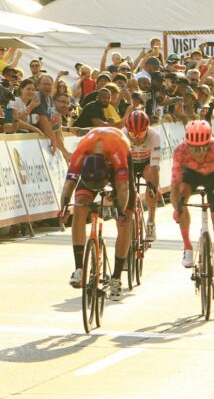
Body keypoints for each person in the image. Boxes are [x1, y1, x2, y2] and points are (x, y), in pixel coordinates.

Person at [59, 127, 134, 301]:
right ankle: (79, 268)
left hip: (120, 151)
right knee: (78, 209)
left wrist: (120, 211)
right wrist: (63, 208)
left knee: (124, 221)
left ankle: (116, 277)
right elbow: (68, 184)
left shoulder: (117, 154)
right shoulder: (81, 152)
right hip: (91, 165)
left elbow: (123, 188)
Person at [170, 121, 214, 299]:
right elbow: (174, 186)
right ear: (187, 144)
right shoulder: (180, 151)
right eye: (194, 149)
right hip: (190, 175)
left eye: (203, 148)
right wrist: (177, 208)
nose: (199, 153)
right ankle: (187, 246)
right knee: (182, 195)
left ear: (209, 143)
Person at [122, 110, 160, 241]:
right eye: (133, 134)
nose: (137, 138)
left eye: (141, 133)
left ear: (147, 130)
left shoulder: (154, 136)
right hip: (129, 163)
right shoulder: (122, 135)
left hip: (146, 163)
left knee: (151, 176)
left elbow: (155, 167)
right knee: (123, 185)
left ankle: (151, 222)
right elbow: (118, 166)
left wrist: (154, 189)